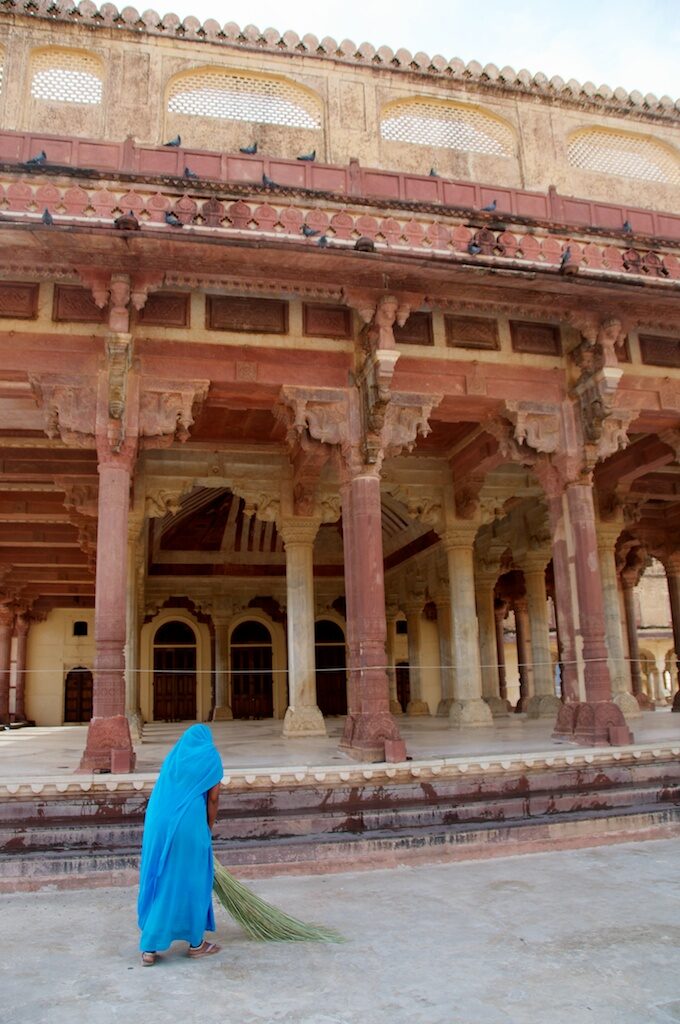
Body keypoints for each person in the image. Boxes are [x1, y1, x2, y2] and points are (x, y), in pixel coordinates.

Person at [137, 723, 224, 965]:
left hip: (158, 821)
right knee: (194, 880)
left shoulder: (174, 757)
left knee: (161, 878)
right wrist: (208, 828)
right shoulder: (211, 757)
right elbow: (214, 799)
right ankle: (196, 943)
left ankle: (150, 949)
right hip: (189, 823)